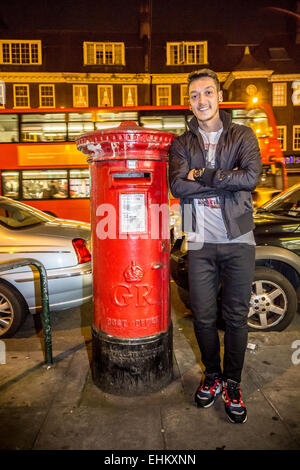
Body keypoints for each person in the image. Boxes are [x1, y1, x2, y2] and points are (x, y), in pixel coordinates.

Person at [169, 69, 262, 424]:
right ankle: (212, 375)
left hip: (239, 239)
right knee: (204, 317)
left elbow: (251, 177)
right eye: (195, 95)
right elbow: (178, 187)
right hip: (199, 241)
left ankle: (233, 383)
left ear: (219, 97)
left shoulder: (242, 135)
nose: (202, 100)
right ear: (189, 102)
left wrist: (202, 176)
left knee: (236, 317)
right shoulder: (182, 144)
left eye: (208, 93)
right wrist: (226, 181)